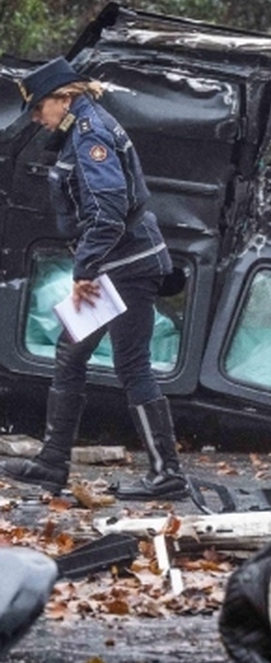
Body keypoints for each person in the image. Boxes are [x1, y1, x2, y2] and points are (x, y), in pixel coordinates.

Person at [1, 58, 187, 500]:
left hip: (125, 267)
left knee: (131, 364)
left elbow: (108, 214)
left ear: (65, 98)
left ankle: (167, 474)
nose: (35, 117)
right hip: (115, 266)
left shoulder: (90, 137)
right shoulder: (81, 128)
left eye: (39, 107)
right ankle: (52, 463)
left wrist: (83, 271)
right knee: (71, 352)